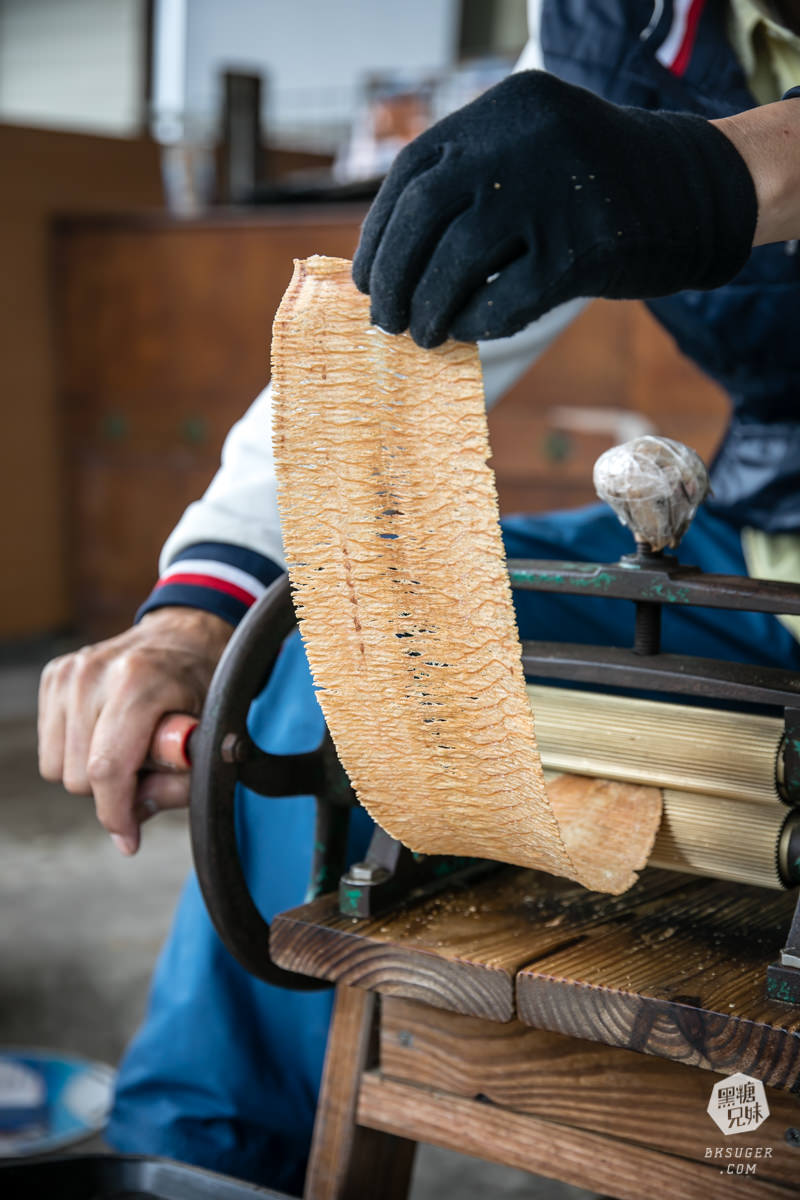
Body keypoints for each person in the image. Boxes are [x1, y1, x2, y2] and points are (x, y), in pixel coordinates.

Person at [37, 0, 800, 1190]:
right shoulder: (614, 26)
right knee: (338, 626)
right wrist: (196, 611)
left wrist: (732, 171)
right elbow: (401, 328)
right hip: (764, 540)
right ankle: (200, 1164)